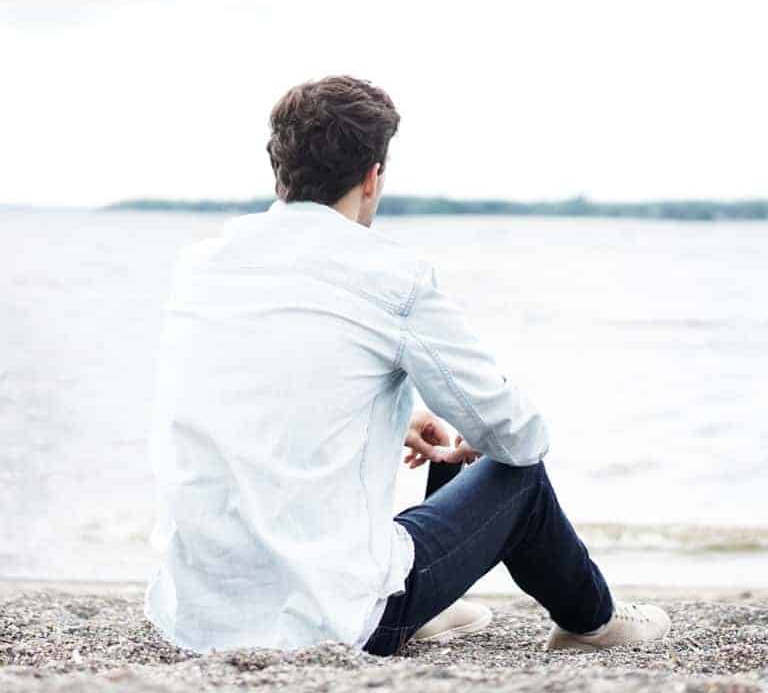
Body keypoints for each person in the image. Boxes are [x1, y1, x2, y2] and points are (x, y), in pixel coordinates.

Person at [143, 74, 671, 657]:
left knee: (453, 446)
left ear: (279, 169)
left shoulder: (201, 266)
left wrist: (395, 416)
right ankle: (592, 622)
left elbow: (254, 403)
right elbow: (519, 435)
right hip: (332, 618)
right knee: (518, 476)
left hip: (196, 613)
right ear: (373, 177)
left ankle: (433, 603)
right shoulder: (389, 277)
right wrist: (479, 432)